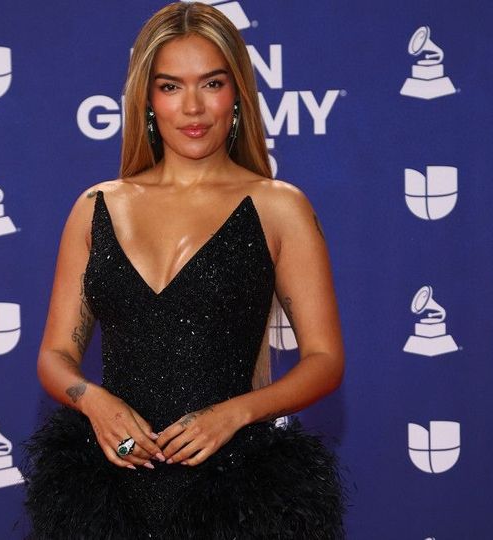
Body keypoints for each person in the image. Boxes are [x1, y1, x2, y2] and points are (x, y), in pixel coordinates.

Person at [20, 2, 347, 538]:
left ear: (238, 93)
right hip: (110, 491)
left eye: (211, 83)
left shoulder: (279, 207)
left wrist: (233, 414)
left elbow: (325, 360)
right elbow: (55, 355)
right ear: (147, 99)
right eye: (170, 87)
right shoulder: (96, 207)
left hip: (236, 497)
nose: (193, 107)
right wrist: (95, 402)